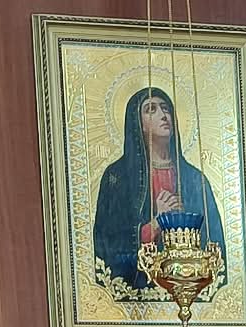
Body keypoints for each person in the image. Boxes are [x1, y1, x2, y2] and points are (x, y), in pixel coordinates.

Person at [91, 84, 227, 295]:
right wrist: (155, 224)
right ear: (138, 123)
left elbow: (215, 242)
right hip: (138, 290)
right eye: (151, 109)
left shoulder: (194, 179)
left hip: (188, 287)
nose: (164, 115)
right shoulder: (117, 177)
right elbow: (106, 244)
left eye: (166, 108)